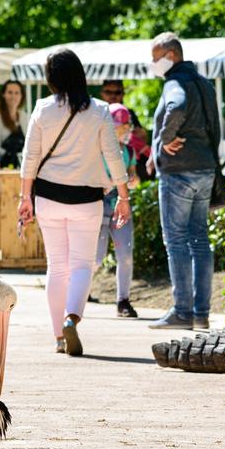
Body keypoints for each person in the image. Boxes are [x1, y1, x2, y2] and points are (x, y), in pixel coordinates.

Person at [18, 48, 131, 356]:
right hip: (87, 199)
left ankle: (58, 336)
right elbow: (113, 156)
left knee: (57, 266)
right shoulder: (99, 110)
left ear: (51, 79)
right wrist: (123, 196)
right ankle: (72, 318)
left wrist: (24, 196)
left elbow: (30, 157)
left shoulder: (42, 109)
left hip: (48, 196)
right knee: (82, 264)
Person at [146, 32, 219, 331]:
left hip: (178, 172)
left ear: (171, 56)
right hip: (205, 168)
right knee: (199, 239)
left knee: (176, 240)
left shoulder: (175, 82)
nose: (152, 64)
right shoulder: (204, 82)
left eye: (155, 58)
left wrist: (165, 139)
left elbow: (176, 106)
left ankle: (182, 311)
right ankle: (201, 313)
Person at [95, 103, 140, 318]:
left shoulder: (128, 151)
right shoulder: (96, 150)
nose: (127, 130)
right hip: (98, 206)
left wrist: (132, 180)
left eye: (127, 126)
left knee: (126, 256)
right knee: (95, 258)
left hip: (121, 207)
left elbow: (134, 176)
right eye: (123, 126)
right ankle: (77, 291)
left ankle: (123, 300)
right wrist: (114, 182)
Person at [100, 79, 152, 181]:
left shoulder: (127, 113)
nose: (113, 96)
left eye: (117, 92)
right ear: (102, 93)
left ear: (123, 94)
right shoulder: (97, 112)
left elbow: (142, 136)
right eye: (108, 92)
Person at [0, 80, 29, 167]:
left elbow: (28, 144)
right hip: (2, 168)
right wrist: (13, 156)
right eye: (10, 92)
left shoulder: (24, 116)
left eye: (17, 93)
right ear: (3, 95)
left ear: (21, 96)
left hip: (21, 167)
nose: (13, 96)